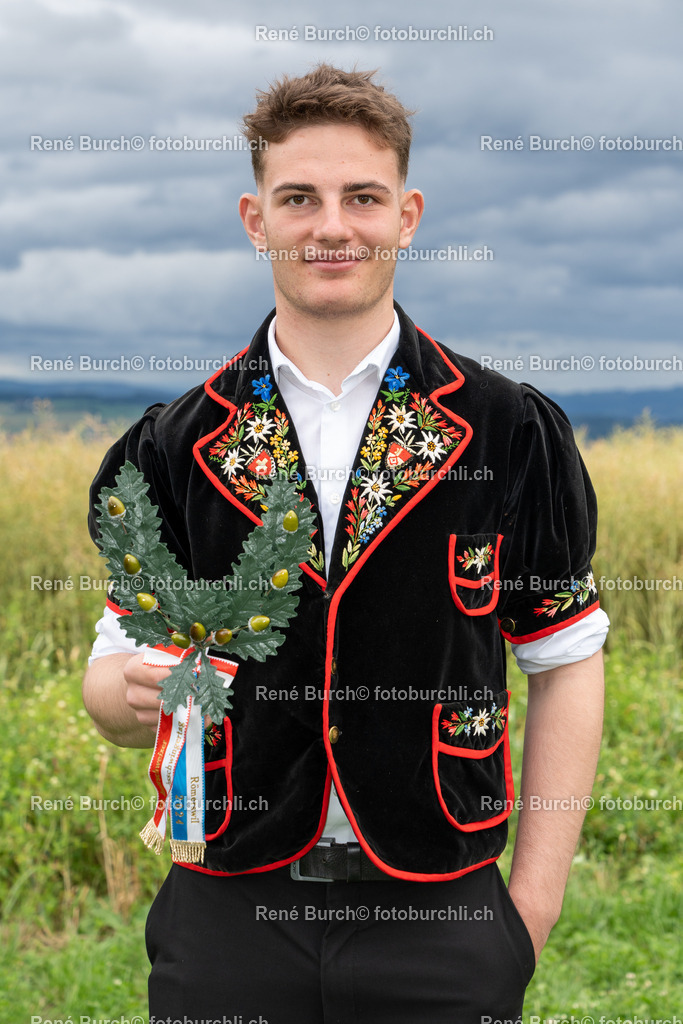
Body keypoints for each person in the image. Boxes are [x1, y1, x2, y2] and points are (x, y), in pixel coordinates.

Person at [83, 63, 608, 1024]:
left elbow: (565, 659)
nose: (332, 226)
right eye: (299, 199)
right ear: (256, 220)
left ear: (406, 215)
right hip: (226, 914)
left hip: (441, 912)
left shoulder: (507, 429)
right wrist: (130, 695)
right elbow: (111, 684)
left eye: (360, 197)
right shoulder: (172, 444)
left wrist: (530, 903)